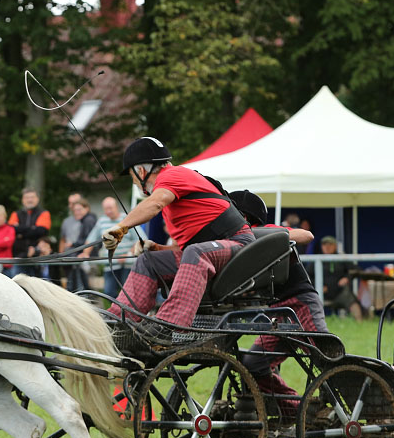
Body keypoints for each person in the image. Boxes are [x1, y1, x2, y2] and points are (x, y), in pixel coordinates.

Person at [102, 137, 254, 342]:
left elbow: (155, 203)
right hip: (214, 251)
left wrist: (121, 227)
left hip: (240, 246)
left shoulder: (171, 175)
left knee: (196, 252)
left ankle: (167, 327)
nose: (134, 181)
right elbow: (183, 250)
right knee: (149, 260)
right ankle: (118, 322)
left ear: (141, 171)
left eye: (132, 175)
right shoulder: (175, 188)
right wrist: (156, 248)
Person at [232, 190, 329, 419]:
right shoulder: (236, 244)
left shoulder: (266, 233)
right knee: (253, 364)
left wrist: (254, 234)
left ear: (243, 218)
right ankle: (300, 412)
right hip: (277, 315)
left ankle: (350, 406)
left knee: (327, 357)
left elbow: (306, 235)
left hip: (300, 304)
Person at [81, 197, 138, 298]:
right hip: (110, 263)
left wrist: (127, 254)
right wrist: (85, 253)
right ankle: (119, 310)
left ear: (116, 207)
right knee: (108, 291)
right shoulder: (102, 221)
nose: (108, 211)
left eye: (110, 208)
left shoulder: (128, 219)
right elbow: (91, 238)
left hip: (128, 264)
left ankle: (128, 311)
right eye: (106, 209)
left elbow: (139, 239)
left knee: (129, 292)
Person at [8, 187, 51, 276]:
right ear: (23, 200)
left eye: (32, 197)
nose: (29, 200)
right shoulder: (16, 214)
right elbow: (11, 230)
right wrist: (32, 228)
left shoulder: (44, 213)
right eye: (27, 197)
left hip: (38, 255)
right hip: (19, 255)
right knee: (17, 284)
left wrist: (21, 231)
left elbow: (42, 231)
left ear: (37, 199)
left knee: (39, 285)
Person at [318, 235, 363, 321]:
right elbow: (308, 276)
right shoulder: (316, 260)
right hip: (322, 294)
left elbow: (356, 270)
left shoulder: (341, 258)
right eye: (324, 245)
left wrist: (347, 278)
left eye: (329, 244)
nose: (327, 247)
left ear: (335, 246)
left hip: (340, 292)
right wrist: (319, 286)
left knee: (354, 304)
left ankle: (360, 324)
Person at [65, 197, 97, 292]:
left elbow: (89, 241)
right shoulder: (87, 220)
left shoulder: (88, 221)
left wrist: (73, 244)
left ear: (86, 208)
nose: (76, 212)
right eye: (75, 210)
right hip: (86, 258)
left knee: (88, 290)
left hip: (88, 258)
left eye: (79, 210)